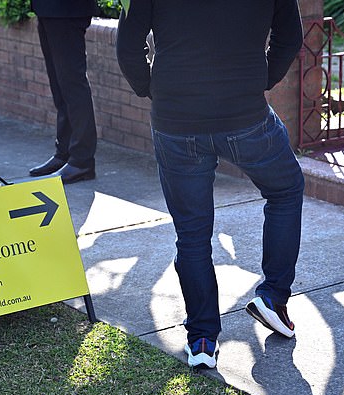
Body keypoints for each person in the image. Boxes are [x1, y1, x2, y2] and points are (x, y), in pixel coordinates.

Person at [117, 0, 305, 369]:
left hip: (176, 118)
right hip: (245, 114)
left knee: (192, 233)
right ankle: (273, 297)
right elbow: (290, 37)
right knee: (285, 191)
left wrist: (152, 88)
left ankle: (202, 338)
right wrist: (259, 80)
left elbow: (128, 46)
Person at [29, 0, 99, 184]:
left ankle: (81, 160)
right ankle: (65, 153)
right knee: (60, 88)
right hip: (48, 8)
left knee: (72, 86)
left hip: (67, 9)